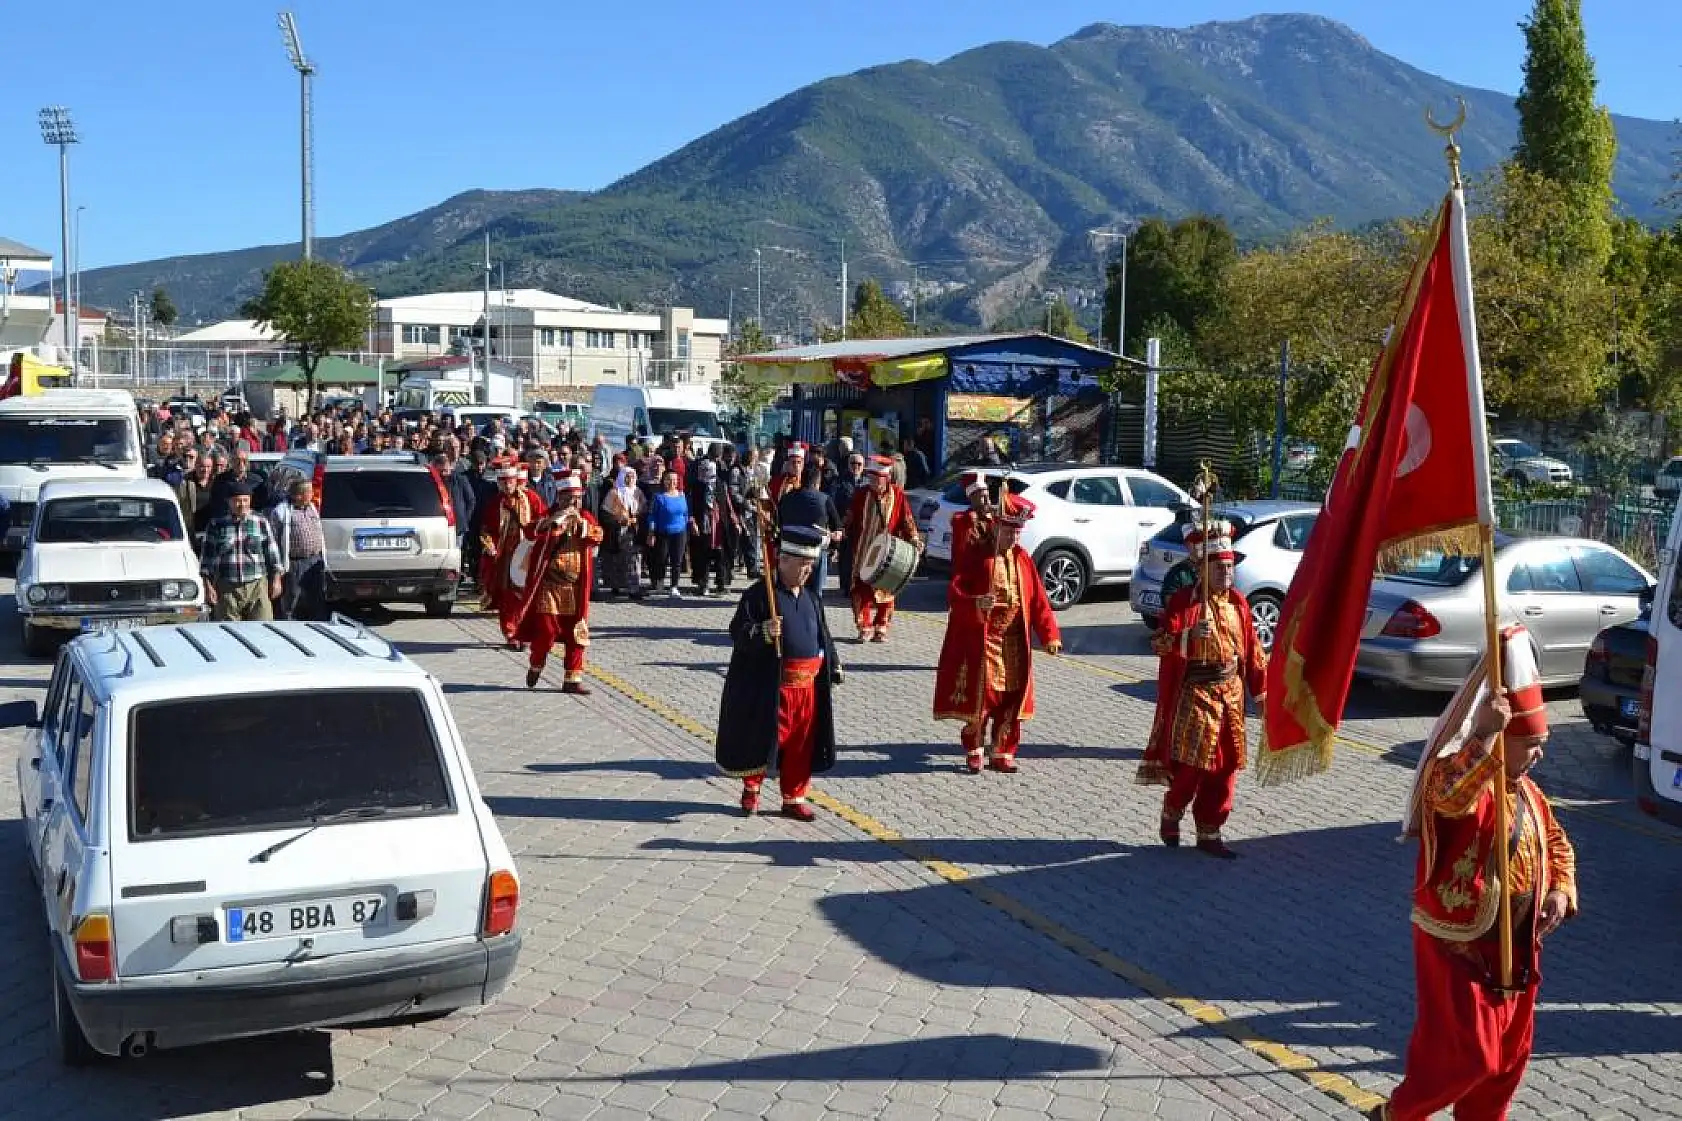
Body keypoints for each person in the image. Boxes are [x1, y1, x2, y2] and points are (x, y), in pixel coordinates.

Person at [1368, 625, 1576, 1121]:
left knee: (1507, 1059)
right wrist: (1483, 733)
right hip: (1459, 942)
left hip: (1518, 942)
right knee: (1468, 1056)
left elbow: (1555, 841)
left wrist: (1561, 890)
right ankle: (1399, 1112)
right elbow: (1450, 796)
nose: (1539, 753)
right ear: (1505, 744)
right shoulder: (1459, 775)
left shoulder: (1528, 793)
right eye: (1531, 743)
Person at [1136, 519, 1267, 859]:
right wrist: (1188, 636)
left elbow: (1253, 650)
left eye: (1230, 567)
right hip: (1197, 693)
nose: (1227, 573)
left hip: (1232, 692)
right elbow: (1160, 643)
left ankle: (1210, 830)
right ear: (1203, 569)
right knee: (1194, 764)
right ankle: (1173, 808)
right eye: (1220, 567)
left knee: (1226, 766)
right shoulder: (1184, 602)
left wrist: (1261, 691)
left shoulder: (1238, 603)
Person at [714, 525, 841, 821]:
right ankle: (752, 790)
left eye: (811, 565)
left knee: (802, 743)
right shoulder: (760, 595)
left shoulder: (811, 598)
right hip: (774, 686)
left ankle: (793, 797)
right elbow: (739, 633)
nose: (807, 571)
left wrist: (833, 663)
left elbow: (824, 634)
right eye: (802, 565)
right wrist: (764, 632)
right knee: (766, 739)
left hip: (807, 688)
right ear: (783, 561)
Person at [933, 493, 1062, 773]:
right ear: (996, 527)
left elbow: (1038, 599)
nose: (1014, 538)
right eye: (1009, 531)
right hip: (985, 640)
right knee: (984, 697)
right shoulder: (977, 555)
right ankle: (975, 747)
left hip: (1015, 642)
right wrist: (977, 602)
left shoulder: (1023, 559)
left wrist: (1050, 634)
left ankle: (1003, 749)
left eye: (1018, 532)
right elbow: (955, 592)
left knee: (1011, 698)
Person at [512, 471, 603, 694]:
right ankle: (537, 663)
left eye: (577, 497)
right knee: (547, 631)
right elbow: (530, 531)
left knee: (577, 632)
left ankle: (572, 679)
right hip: (549, 586)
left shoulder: (585, 518)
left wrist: (579, 523)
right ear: (559, 498)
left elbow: (597, 535)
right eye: (568, 497)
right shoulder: (548, 516)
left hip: (574, 587)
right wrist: (554, 522)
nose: (573, 502)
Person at [844, 455, 923, 643]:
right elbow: (850, 516)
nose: (872, 481)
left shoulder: (898, 495)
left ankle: (881, 626)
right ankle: (864, 626)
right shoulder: (861, 494)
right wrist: (842, 530)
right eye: (870, 477)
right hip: (864, 550)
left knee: (886, 589)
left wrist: (914, 539)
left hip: (888, 551)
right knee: (861, 589)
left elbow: (907, 520)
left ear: (885, 478)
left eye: (876, 478)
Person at [478, 463, 548, 648]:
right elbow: (486, 529)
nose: (507, 485)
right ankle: (510, 632)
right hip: (505, 556)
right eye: (503, 481)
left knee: (525, 594)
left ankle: (524, 631)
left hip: (526, 553)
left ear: (516, 481)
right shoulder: (495, 503)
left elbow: (542, 520)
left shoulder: (531, 498)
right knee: (507, 595)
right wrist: (490, 546)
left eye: (510, 481)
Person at [199, 480, 284, 622]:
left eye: (245, 500)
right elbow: (207, 559)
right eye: (237, 501)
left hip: (257, 585)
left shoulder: (261, 521)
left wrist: (276, 580)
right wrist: (208, 586)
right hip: (227, 587)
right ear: (229, 502)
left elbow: (273, 554)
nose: (242, 505)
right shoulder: (216, 524)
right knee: (228, 632)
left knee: (263, 628)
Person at [779, 462, 844, 596]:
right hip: (815, 551)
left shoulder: (786, 498)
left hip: (790, 550)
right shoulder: (825, 499)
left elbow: (779, 523)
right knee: (815, 592)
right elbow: (837, 526)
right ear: (818, 482)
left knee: (789, 589)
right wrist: (835, 545)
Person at [267, 478, 325, 621]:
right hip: (294, 563)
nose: (312, 494)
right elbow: (272, 540)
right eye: (309, 491)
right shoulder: (281, 512)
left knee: (317, 599)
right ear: (297, 495)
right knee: (291, 600)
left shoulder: (312, 508)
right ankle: (288, 626)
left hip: (315, 561)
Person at [686, 458, 736, 596]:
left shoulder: (721, 484)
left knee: (721, 554)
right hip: (702, 523)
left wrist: (735, 521)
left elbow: (728, 504)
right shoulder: (695, 486)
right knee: (702, 554)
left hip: (718, 524)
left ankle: (721, 584)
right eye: (703, 470)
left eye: (708, 470)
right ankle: (703, 584)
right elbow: (689, 506)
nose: (706, 472)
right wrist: (692, 521)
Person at [599, 465, 646, 598]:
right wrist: (619, 520)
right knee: (618, 559)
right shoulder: (615, 493)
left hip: (634, 531)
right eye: (627, 476)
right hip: (618, 531)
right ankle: (617, 585)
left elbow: (644, 509)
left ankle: (634, 588)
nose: (630, 479)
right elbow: (605, 512)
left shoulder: (638, 492)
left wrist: (637, 518)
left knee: (634, 559)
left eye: (632, 476)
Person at [647, 469, 690, 597]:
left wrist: (684, 525)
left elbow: (685, 514)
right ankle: (659, 584)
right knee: (661, 559)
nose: (672, 482)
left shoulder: (682, 495)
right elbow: (652, 516)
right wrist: (651, 532)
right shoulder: (658, 497)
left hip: (679, 533)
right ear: (664, 481)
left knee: (677, 560)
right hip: (663, 533)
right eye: (669, 480)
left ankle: (674, 586)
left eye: (674, 480)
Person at [827, 451, 865, 591]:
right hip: (845, 524)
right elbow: (834, 502)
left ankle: (858, 585)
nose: (856, 466)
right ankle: (846, 586)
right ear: (848, 465)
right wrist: (837, 524)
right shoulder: (840, 481)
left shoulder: (866, 482)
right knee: (846, 557)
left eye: (859, 464)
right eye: (853, 463)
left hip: (862, 526)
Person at [948, 472, 995, 575]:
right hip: (970, 574)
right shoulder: (963, 520)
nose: (988, 502)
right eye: (983, 497)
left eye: (988, 497)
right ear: (972, 498)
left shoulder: (990, 519)